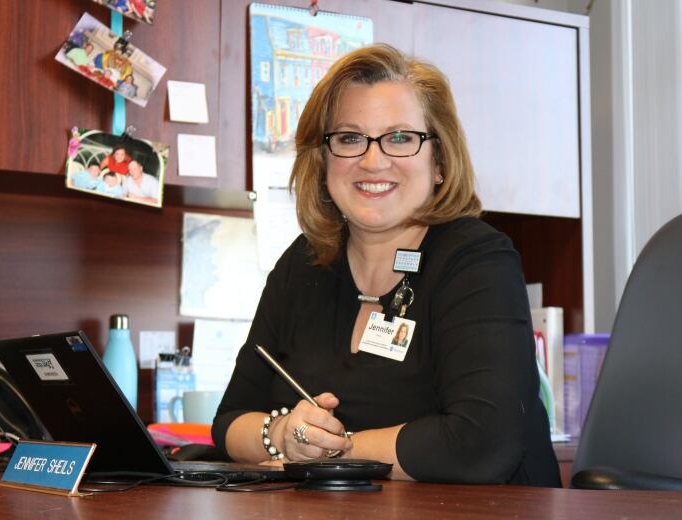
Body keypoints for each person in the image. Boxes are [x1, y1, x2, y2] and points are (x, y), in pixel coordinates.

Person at [211, 44, 561, 486]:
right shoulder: (302, 265)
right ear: (323, 161)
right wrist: (282, 435)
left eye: (400, 137)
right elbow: (228, 423)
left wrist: (333, 454)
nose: (372, 160)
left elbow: (481, 444)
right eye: (349, 138)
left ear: (439, 160)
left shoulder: (477, 261)